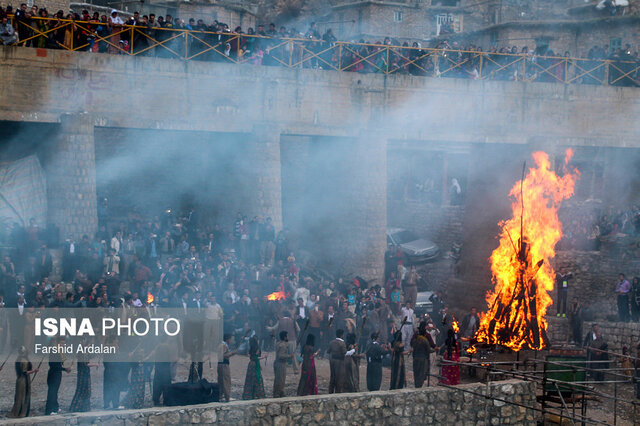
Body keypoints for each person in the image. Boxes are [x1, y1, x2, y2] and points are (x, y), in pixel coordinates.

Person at [9, 347, 38, 418]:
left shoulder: (19, 359)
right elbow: (25, 372)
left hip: (21, 380)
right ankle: (21, 413)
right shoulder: (23, 360)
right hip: (23, 381)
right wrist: (34, 371)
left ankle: (20, 412)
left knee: (21, 396)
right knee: (22, 396)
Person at [45, 337, 71, 415]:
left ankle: (55, 407)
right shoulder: (54, 351)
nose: (63, 345)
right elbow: (53, 365)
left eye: (63, 343)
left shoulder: (59, 351)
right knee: (52, 392)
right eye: (61, 343)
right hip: (53, 374)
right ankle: (50, 410)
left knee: (55, 391)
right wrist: (65, 369)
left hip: (58, 373)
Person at [411, 322, 435, 387]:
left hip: (415, 358)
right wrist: (435, 349)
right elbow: (431, 347)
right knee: (422, 375)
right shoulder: (426, 338)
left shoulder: (415, 336)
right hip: (424, 359)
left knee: (416, 374)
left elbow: (411, 344)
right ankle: (419, 387)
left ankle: (417, 386)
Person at [327, 328, 347, 393]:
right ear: (342, 335)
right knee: (339, 377)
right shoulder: (342, 343)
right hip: (340, 362)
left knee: (333, 376)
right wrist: (353, 351)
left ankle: (331, 391)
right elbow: (345, 353)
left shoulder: (332, 342)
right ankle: (338, 392)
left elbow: (328, 351)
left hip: (332, 361)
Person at [218, 333, 236, 402]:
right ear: (227, 339)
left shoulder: (222, 345)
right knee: (226, 381)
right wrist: (232, 353)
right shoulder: (223, 346)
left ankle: (220, 396)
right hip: (224, 365)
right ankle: (227, 397)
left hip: (221, 365)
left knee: (221, 381)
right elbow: (223, 355)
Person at [273, 331, 292, 398]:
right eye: (287, 336)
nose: (288, 337)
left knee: (278, 379)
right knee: (280, 380)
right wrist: (289, 356)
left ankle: (278, 392)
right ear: (284, 337)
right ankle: (278, 393)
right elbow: (281, 356)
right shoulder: (283, 345)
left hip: (277, 363)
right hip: (281, 364)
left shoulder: (278, 343)